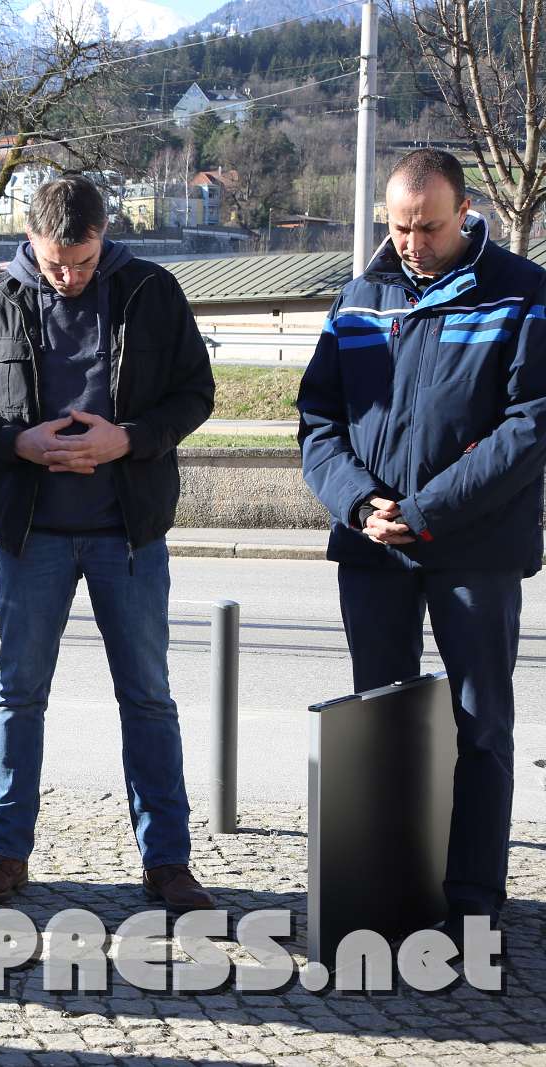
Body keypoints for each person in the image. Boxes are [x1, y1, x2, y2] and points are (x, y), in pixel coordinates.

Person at [0, 174, 217, 912]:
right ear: (30, 240)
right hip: (31, 533)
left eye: (84, 262)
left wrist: (129, 439)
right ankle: (6, 854)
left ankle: (168, 862)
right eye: (55, 263)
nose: (69, 277)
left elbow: (195, 394)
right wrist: (17, 443)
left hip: (128, 532)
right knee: (18, 695)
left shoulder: (152, 290)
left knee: (148, 697)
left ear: (105, 237)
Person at [297, 148, 546, 936]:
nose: (413, 244)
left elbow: (529, 426)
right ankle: (390, 893)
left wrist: (428, 509)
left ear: (466, 211)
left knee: (481, 724)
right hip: (374, 547)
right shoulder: (358, 298)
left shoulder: (524, 293)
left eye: (429, 227)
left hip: (476, 548)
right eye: (400, 228)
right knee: (380, 723)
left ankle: (472, 898)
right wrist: (358, 501)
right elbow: (318, 422)